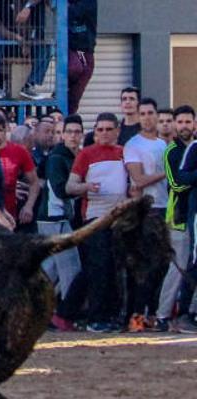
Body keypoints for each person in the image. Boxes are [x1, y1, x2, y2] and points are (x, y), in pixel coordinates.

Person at [65, 112, 130, 332]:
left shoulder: (124, 153)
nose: (103, 133)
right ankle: (95, 318)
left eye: (108, 129)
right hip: (95, 218)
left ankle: (111, 315)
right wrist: (86, 187)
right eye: (99, 129)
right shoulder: (86, 154)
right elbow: (70, 186)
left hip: (120, 220)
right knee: (99, 268)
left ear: (117, 131)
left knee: (114, 269)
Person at [122, 97, 170, 331]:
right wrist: (166, 173)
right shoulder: (133, 145)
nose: (148, 117)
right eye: (144, 114)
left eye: (151, 113)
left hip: (166, 209)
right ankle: (137, 317)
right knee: (145, 266)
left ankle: (152, 314)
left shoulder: (164, 145)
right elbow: (138, 180)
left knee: (162, 266)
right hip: (147, 210)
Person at [40, 114, 83, 331]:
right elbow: (59, 189)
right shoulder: (58, 158)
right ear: (63, 135)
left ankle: (36, 311)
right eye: (70, 132)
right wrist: (86, 188)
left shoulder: (73, 156)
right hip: (53, 218)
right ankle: (66, 316)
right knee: (70, 268)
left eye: (77, 132)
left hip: (59, 217)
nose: (74, 136)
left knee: (50, 270)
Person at [161, 105, 197, 333]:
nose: (184, 126)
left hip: (190, 215)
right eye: (180, 122)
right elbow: (175, 183)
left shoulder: (192, 148)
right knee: (179, 269)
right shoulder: (172, 151)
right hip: (178, 217)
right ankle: (164, 314)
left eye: (187, 122)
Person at [67, 0, 97, 114]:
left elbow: (74, 12)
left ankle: (69, 116)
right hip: (72, 50)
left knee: (75, 97)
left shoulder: (88, 2)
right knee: (74, 69)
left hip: (86, 51)